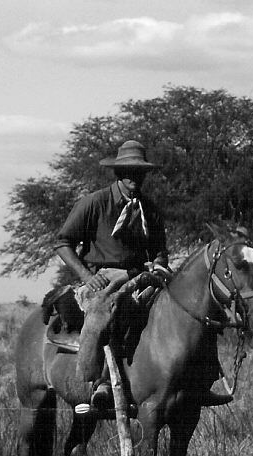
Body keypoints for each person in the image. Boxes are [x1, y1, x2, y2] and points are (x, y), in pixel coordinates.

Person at [54, 139, 231, 409]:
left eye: (140, 172)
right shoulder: (93, 204)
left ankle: (202, 379)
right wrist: (87, 276)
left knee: (193, 311)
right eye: (129, 172)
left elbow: (160, 251)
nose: (135, 178)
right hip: (103, 280)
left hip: (142, 277)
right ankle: (99, 382)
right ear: (117, 173)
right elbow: (63, 242)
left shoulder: (151, 210)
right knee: (105, 313)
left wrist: (158, 266)